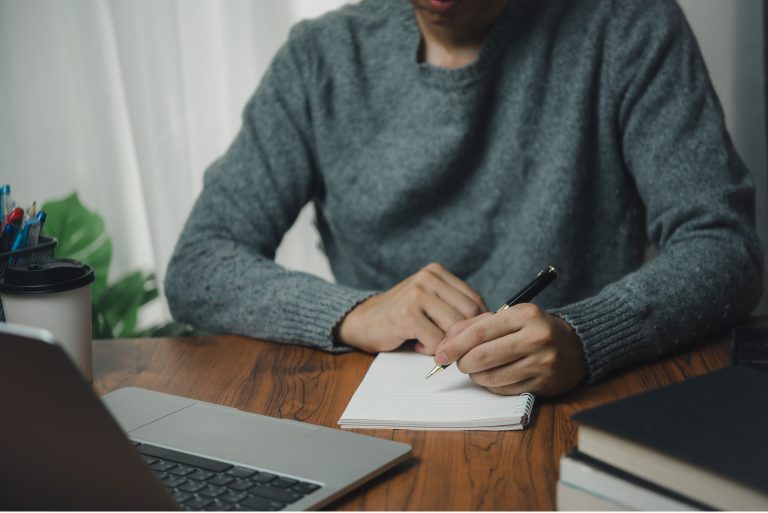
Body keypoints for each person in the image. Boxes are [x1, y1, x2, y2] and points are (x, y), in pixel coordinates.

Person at [165, 0, 763, 397]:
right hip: (381, 411)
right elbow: (200, 264)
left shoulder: (628, 26)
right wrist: (353, 313)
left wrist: (586, 335)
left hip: (587, 405)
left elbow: (724, 248)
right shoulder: (319, 59)